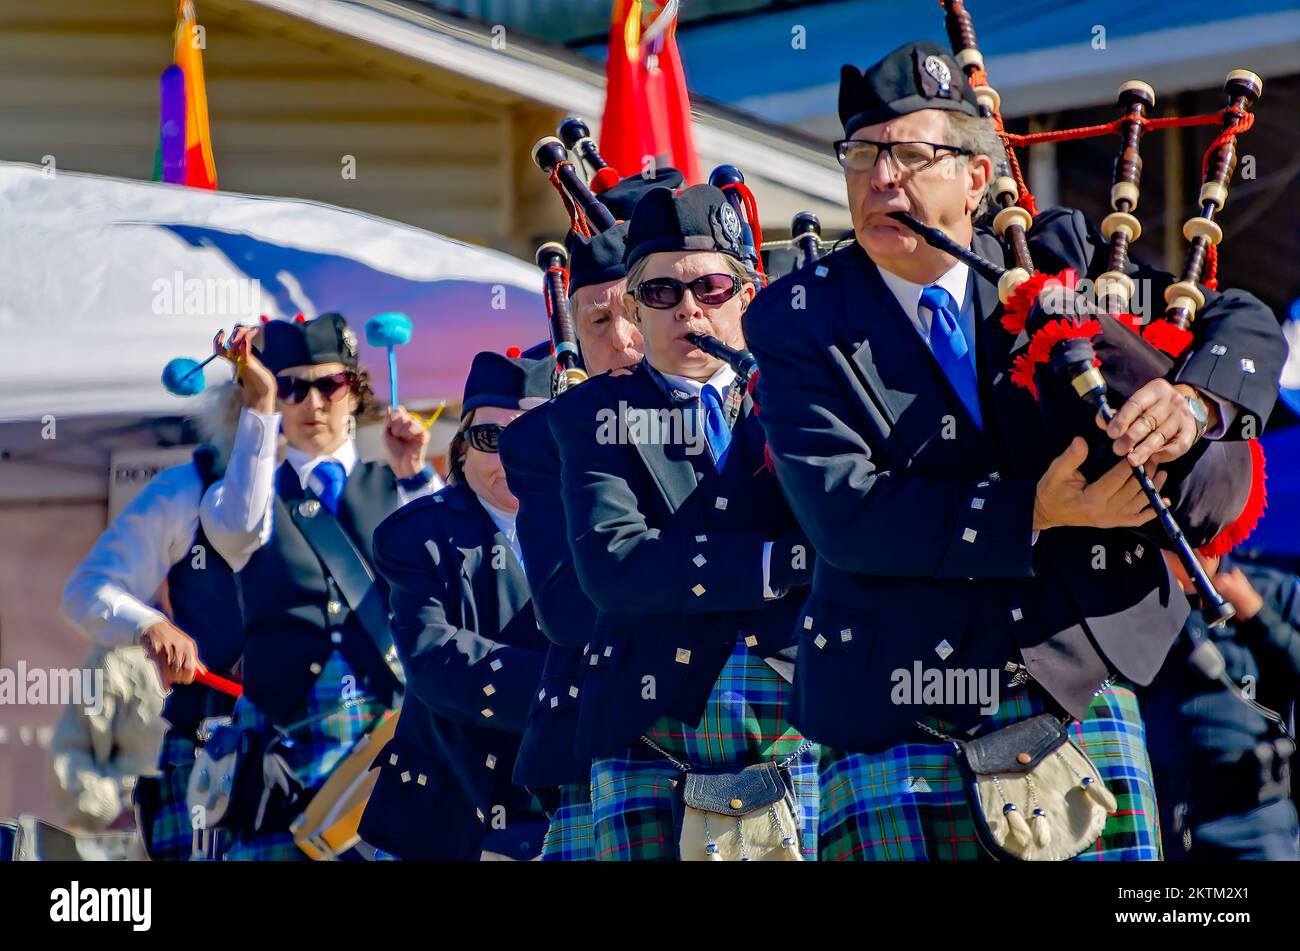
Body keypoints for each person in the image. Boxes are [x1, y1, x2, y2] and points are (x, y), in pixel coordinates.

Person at [742, 40, 1286, 861]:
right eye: (861, 155)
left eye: (911, 154)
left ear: (974, 175)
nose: (882, 179)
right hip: (897, 705)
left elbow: (1238, 317)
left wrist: (1194, 399)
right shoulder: (797, 317)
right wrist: (1037, 508)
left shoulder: (1052, 255)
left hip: (1074, 690)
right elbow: (844, 512)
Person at [549, 184, 818, 860]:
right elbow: (614, 566)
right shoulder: (591, 416)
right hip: (652, 726)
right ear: (635, 307)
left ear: (748, 295)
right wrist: (777, 564)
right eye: (662, 292)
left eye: (712, 286)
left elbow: (846, 526)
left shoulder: (803, 395)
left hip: (800, 704)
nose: (688, 308)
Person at [200, 313, 439, 860]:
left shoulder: (401, 483)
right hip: (278, 758)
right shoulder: (245, 496)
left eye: (329, 384)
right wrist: (256, 407)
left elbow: (454, 573)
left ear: (354, 394)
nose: (313, 403)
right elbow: (237, 525)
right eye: (292, 388)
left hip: (385, 752)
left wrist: (418, 475)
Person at [501, 169, 678, 862]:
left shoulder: (733, 414)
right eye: (598, 320)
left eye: (636, 313)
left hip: (753, 734)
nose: (623, 339)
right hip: (607, 745)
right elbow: (570, 611)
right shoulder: (539, 441)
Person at [362, 351, 554, 860]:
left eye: (531, 437)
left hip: (557, 818)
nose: (511, 458)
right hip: (440, 819)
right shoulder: (415, 535)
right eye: (493, 440)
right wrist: (570, 687)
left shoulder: (591, 530)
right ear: (463, 447)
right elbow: (434, 660)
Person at [60, 382, 244, 860]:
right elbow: (91, 587)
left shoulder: (347, 491)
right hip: (192, 770)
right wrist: (148, 624)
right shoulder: (186, 490)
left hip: (308, 761)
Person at [1143, 551, 1300, 860]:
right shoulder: (1130, 602)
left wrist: (1259, 616)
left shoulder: (1272, 589)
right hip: (1161, 823)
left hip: (1256, 821)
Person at [47, 643, 166, 835]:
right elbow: (69, 752)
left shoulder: (228, 654)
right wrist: (109, 814)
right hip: (135, 836)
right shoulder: (118, 654)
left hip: (213, 831)